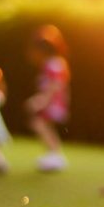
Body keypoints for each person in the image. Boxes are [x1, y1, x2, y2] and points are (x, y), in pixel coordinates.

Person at [25, 25, 70, 172]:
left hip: (52, 102)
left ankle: (55, 155)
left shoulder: (53, 64)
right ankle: (54, 155)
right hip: (52, 101)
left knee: (38, 123)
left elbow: (56, 84)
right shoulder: (54, 63)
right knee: (44, 125)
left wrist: (42, 100)